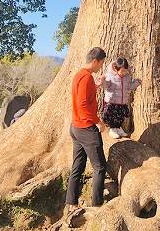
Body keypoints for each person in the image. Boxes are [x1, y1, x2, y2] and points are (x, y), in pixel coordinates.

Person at [65, 47, 107, 218]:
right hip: (85, 129)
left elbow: (85, 97)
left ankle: (71, 202)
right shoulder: (85, 77)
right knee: (100, 167)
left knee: (78, 167)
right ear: (95, 61)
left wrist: (97, 85)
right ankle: (97, 205)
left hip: (76, 128)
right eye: (101, 63)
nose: (101, 67)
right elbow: (83, 104)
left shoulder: (80, 76)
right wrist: (99, 122)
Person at [102, 57, 141, 139]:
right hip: (112, 101)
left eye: (126, 70)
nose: (124, 72)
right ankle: (112, 130)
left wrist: (136, 83)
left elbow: (129, 87)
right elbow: (106, 86)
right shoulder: (110, 75)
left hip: (122, 101)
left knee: (120, 116)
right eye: (122, 71)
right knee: (113, 117)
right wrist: (103, 81)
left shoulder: (127, 77)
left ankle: (118, 128)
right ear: (116, 69)